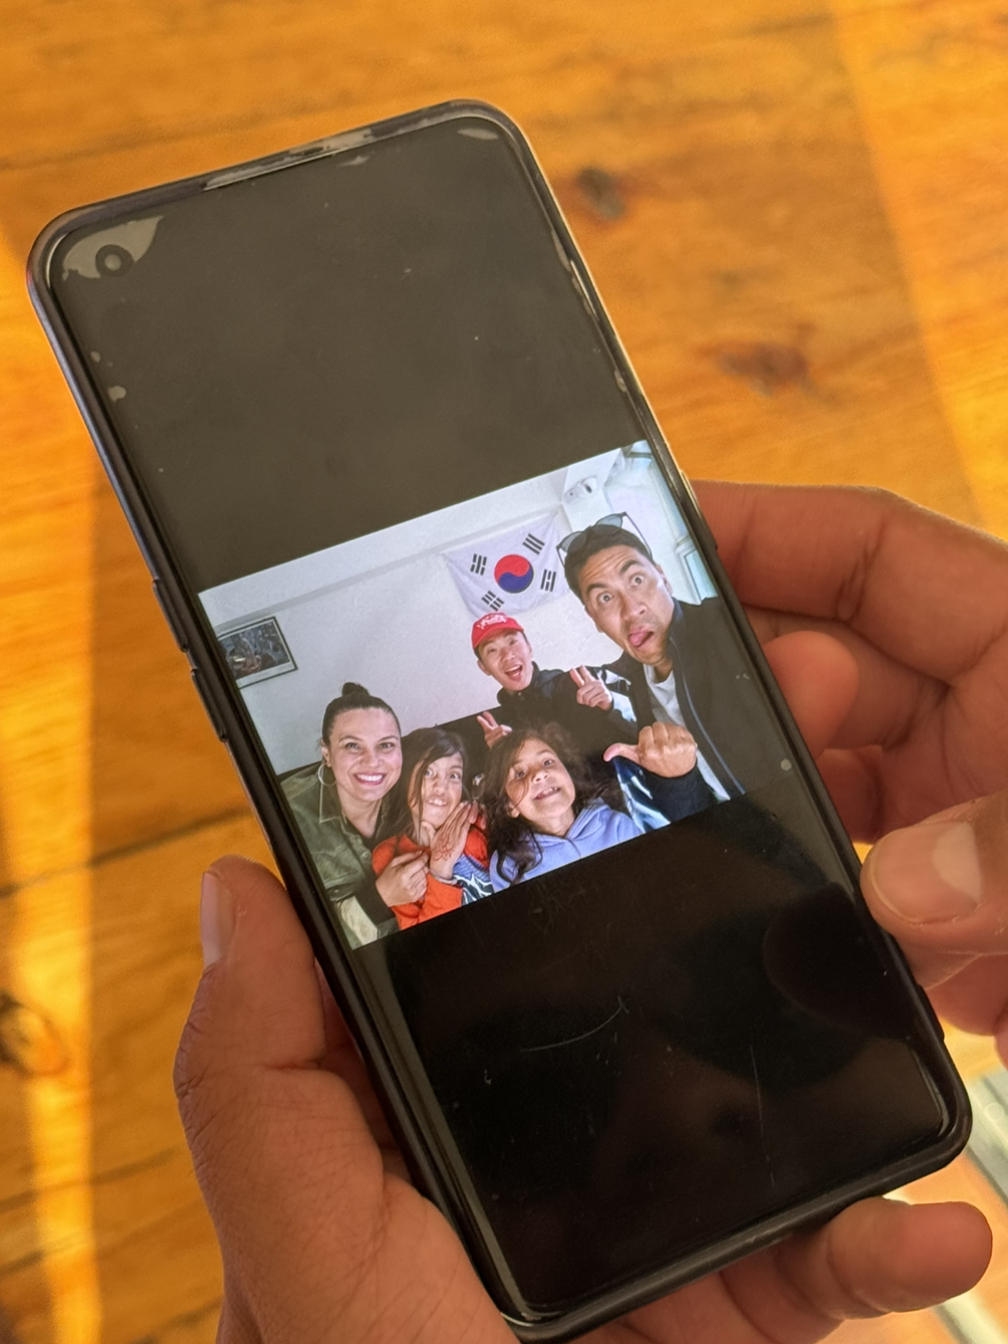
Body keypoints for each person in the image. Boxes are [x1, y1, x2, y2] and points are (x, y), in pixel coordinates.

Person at [176, 484, 1008, 1343]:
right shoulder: (440, 857)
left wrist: (646, 759)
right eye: (534, 1097)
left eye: (738, 988)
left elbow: (667, 792)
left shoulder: (612, 748)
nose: (678, 1108)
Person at [561, 515, 786, 799]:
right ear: (594, 618)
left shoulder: (730, 624)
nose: (631, 610)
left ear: (664, 578)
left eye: (637, 580)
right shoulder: (636, 687)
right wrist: (677, 779)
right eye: (605, 598)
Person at [482, 721, 709, 888]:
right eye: (519, 773)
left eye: (548, 761)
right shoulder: (506, 866)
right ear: (509, 806)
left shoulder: (617, 823)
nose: (540, 774)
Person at [280, 682, 414, 947]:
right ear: (327, 754)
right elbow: (289, 937)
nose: (372, 761)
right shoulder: (288, 817)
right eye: (352, 746)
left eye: (386, 745)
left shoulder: (420, 792)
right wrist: (377, 901)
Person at [468, 611, 638, 773]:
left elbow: (646, 722)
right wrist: (503, 757)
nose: (507, 655)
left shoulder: (582, 682)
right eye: (492, 650)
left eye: (512, 642)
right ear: (483, 667)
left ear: (529, 648)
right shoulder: (500, 728)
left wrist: (613, 704)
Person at [372, 727, 490, 929]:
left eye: (453, 775)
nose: (441, 787)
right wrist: (440, 871)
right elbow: (430, 940)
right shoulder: (390, 856)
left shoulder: (478, 825)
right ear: (405, 779)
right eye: (428, 772)